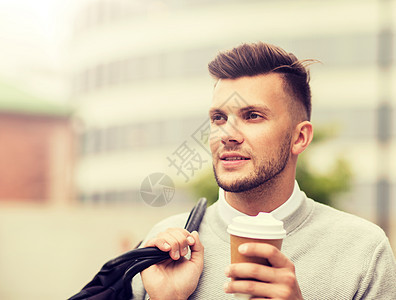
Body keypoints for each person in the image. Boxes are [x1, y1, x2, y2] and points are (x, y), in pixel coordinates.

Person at [131, 42, 396, 299]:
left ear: (300, 137)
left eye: (252, 116)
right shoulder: (162, 247)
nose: (227, 135)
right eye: (218, 118)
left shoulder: (363, 250)